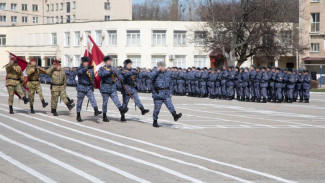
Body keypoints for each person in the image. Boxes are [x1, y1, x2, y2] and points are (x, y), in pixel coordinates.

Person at [150, 61, 182, 128]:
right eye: (162, 66)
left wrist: (170, 92)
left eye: (164, 66)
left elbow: (170, 83)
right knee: (157, 109)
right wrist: (157, 70)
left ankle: (175, 115)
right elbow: (150, 77)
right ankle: (155, 121)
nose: (163, 67)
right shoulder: (155, 73)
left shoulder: (167, 73)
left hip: (166, 92)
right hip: (158, 93)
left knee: (170, 105)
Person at [98, 56, 129, 122]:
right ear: (105, 62)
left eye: (110, 61)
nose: (109, 62)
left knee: (116, 100)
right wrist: (109, 72)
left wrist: (122, 79)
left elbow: (119, 75)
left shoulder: (113, 68)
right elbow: (100, 74)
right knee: (105, 103)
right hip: (105, 88)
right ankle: (104, 116)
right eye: (108, 61)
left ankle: (122, 112)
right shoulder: (102, 68)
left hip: (112, 87)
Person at [76, 57, 102, 122]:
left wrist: (92, 85)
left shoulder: (90, 69)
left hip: (88, 87)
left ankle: (96, 110)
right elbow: (79, 72)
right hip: (81, 87)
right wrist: (86, 68)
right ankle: (78, 115)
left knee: (93, 99)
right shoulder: (80, 68)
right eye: (85, 62)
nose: (86, 63)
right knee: (79, 102)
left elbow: (92, 77)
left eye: (87, 62)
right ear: (82, 62)